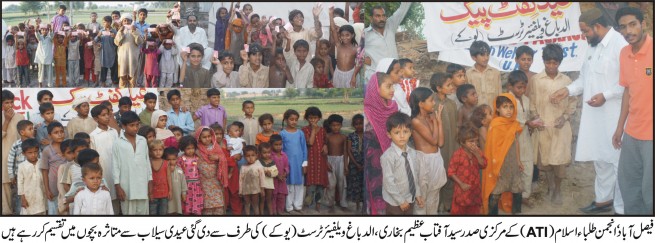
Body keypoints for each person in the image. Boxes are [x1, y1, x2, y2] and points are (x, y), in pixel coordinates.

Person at [549, 8, 628, 215]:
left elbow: (627, 84)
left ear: (598, 27)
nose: (584, 37)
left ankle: (621, 209)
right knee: (601, 159)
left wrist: (606, 95)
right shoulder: (592, 47)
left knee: (618, 162)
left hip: (615, 115)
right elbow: (584, 79)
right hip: (595, 117)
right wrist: (567, 90)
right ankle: (603, 201)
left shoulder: (621, 46)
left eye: (585, 32)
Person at [613, 7, 653, 215]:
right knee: (628, 185)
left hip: (651, 137)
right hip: (632, 133)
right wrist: (620, 127)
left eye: (632, 24)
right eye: (623, 27)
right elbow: (628, 91)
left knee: (650, 191)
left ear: (642, 24)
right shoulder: (624, 53)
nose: (628, 31)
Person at [528, 44, 577, 205]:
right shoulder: (536, 80)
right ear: (543, 61)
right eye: (548, 63)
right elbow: (532, 102)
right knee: (546, 162)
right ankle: (550, 185)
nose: (551, 66)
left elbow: (572, 103)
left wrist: (565, 117)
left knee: (560, 162)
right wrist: (535, 117)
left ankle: (557, 189)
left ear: (560, 62)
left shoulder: (567, 81)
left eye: (554, 63)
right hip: (543, 128)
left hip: (560, 129)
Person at [482, 94, 524, 215]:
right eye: (505, 107)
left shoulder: (514, 124)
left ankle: (516, 212)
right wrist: (496, 167)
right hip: (499, 165)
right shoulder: (495, 125)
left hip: (512, 163)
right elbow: (492, 149)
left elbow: (516, 144)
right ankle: (492, 215)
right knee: (496, 189)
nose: (509, 110)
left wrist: (518, 161)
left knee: (517, 188)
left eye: (511, 107)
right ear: (498, 109)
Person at [362, 72, 398, 215]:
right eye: (388, 86)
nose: (392, 90)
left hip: (391, 160)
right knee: (374, 194)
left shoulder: (393, 107)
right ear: (375, 88)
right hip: (372, 165)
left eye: (393, 86)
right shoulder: (367, 112)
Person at [408, 87, 447, 215]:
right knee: (421, 199)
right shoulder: (416, 121)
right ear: (421, 104)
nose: (434, 103)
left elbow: (440, 143)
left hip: (436, 158)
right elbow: (434, 141)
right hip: (423, 161)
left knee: (433, 198)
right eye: (431, 100)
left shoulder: (431, 117)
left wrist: (438, 121)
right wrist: (436, 122)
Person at [381, 112, 424, 215]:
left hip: (410, 198)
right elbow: (388, 182)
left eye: (405, 131)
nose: (402, 136)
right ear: (389, 134)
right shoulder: (388, 157)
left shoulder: (413, 153)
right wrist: (400, 201)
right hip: (395, 203)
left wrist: (417, 194)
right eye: (396, 132)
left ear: (411, 132)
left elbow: (414, 175)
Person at [113, 111, 152, 215]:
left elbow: (147, 162)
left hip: (142, 184)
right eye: (131, 125)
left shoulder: (142, 140)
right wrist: (117, 186)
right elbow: (115, 166)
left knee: (143, 213)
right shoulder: (118, 143)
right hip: (126, 186)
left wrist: (150, 181)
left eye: (137, 125)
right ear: (123, 126)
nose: (135, 128)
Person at [507, 71, 536, 207]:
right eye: (519, 87)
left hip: (525, 137)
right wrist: (527, 123)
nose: (522, 90)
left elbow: (528, 116)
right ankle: (513, 197)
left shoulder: (526, 100)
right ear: (510, 86)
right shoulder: (506, 100)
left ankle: (525, 195)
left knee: (528, 166)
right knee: (514, 167)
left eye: (524, 87)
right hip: (512, 138)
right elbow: (508, 119)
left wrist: (534, 121)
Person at [429, 73, 457, 212]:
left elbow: (455, 125)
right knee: (437, 175)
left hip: (451, 145)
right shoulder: (431, 104)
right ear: (439, 88)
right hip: (436, 147)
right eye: (449, 85)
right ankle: (437, 204)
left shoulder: (452, 104)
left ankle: (448, 203)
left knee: (450, 173)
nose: (452, 87)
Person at [364, 3, 411, 81]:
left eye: (383, 16)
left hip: (395, 75)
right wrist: (363, 60)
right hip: (377, 78)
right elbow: (354, 51)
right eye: (378, 16)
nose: (381, 19)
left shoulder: (391, 25)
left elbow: (402, 9)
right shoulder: (365, 34)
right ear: (371, 18)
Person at [448, 125, 487, 215]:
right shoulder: (458, 154)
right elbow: (451, 172)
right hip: (462, 192)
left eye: (476, 141)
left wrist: (477, 155)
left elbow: (484, 165)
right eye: (471, 141)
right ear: (462, 142)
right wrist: (461, 184)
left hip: (475, 191)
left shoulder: (478, 151)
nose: (474, 144)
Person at [88, 104, 120, 214]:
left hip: (117, 170)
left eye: (108, 114)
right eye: (103, 115)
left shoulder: (114, 132)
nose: (107, 117)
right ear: (96, 118)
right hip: (104, 172)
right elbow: (94, 160)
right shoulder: (93, 136)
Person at [196, 126, 228, 215]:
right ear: (199, 138)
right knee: (207, 206)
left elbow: (224, 159)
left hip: (216, 181)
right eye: (204, 137)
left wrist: (218, 157)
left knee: (218, 206)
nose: (207, 139)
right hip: (204, 182)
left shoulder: (216, 147)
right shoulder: (197, 149)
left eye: (209, 136)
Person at [280, 109, 307, 213]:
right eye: (291, 119)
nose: (294, 122)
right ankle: (289, 207)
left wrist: (305, 164)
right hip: (288, 164)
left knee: (299, 185)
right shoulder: (282, 134)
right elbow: (280, 150)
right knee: (289, 185)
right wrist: (282, 165)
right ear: (286, 120)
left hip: (299, 164)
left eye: (296, 119)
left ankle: (298, 205)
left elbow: (304, 149)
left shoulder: (300, 133)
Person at [302, 106, 328, 211]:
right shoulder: (305, 130)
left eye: (315, 118)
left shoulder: (323, 130)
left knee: (320, 185)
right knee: (310, 184)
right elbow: (310, 142)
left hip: (321, 161)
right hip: (311, 161)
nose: (313, 120)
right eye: (310, 118)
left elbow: (326, 141)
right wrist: (313, 129)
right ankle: (307, 204)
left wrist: (325, 145)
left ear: (319, 118)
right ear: (307, 118)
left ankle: (318, 205)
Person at [7, 120, 35, 214]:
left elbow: (40, 158)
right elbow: (10, 160)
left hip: (33, 175)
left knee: (33, 194)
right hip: (20, 177)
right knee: (20, 196)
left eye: (33, 129)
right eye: (30, 129)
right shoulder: (16, 145)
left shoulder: (35, 143)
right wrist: (11, 175)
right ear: (22, 132)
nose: (33, 131)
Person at [39, 122, 66, 215]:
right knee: (54, 212)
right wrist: (47, 189)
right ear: (50, 135)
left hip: (68, 186)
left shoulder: (69, 148)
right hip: (53, 187)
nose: (60, 134)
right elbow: (44, 171)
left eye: (62, 131)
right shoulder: (47, 150)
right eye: (56, 132)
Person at [324, 114, 349, 212]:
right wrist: (326, 162)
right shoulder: (327, 136)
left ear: (341, 125)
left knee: (342, 183)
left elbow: (345, 151)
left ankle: (343, 203)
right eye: (333, 125)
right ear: (330, 126)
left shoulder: (343, 137)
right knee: (331, 184)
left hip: (341, 160)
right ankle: (331, 204)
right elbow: (325, 151)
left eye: (338, 125)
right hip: (330, 160)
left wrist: (346, 165)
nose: (336, 127)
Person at [466, 40, 501, 107]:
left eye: (487, 55)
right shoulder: (468, 74)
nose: (486, 58)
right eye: (482, 55)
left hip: (493, 114)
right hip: (475, 115)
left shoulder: (496, 73)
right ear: (474, 57)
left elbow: (499, 96)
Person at [115, 13, 144, 88]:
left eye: (128, 21)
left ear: (131, 22)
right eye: (125, 21)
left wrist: (134, 32)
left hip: (133, 58)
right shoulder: (120, 31)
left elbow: (140, 42)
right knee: (122, 76)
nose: (127, 22)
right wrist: (121, 32)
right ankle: (122, 93)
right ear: (122, 22)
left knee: (132, 77)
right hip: (123, 58)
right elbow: (117, 42)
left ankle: (132, 94)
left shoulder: (136, 30)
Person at [17, 138, 46, 215]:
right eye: (30, 153)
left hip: (41, 194)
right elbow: (20, 183)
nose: (33, 155)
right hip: (28, 196)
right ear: (24, 153)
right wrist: (23, 198)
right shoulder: (21, 166)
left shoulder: (42, 162)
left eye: (35, 152)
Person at [177, 135, 203, 215]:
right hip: (186, 185)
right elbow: (179, 173)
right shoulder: (181, 159)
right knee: (186, 202)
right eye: (188, 148)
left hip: (197, 185)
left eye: (192, 148)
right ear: (183, 148)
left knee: (196, 202)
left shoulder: (198, 158)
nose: (191, 150)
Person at [239, 145, 266, 215]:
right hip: (245, 190)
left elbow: (262, 178)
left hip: (255, 190)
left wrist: (262, 189)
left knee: (255, 205)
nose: (250, 158)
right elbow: (240, 180)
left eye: (253, 155)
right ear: (244, 157)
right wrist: (240, 191)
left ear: (256, 156)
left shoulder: (259, 166)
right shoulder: (243, 167)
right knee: (247, 204)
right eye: (248, 156)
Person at [346, 114, 364, 213]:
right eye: (356, 124)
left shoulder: (368, 135)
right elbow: (349, 151)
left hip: (366, 165)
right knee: (355, 185)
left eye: (361, 124)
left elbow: (370, 150)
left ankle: (364, 205)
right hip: (354, 164)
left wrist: (365, 164)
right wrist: (356, 164)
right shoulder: (351, 136)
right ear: (353, 125)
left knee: (365, 184)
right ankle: (357, 205)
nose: (359, 126)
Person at [148, 140, 170, 215]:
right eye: (155, 150)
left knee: (163, 212)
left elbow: (169, 177)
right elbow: (148, 178)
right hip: (153, 194)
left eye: (160, 150)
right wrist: (149, 193)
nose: (158, 152)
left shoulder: (166, 163)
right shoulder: (149, 163)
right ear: (150, 151)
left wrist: (170, 190)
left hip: (164, 194)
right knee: (152, 212)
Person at [269, 134, 289, 215]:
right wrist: (277, 175)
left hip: (282, 181)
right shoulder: (270, 155)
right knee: (273, 196)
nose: (278, 146)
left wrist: (285, 173)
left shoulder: (284, 155)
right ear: (271, 145)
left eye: (280, 144)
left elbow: (287, 167)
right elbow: (269, 167)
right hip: (273, 180)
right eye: (276, 145)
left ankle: (280, 211)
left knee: (281, 196)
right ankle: (273, 212)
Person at [164, 147, 187, 215]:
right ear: (165, 159)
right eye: (168, 159)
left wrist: (184, 193)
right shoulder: (164, 170)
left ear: (177, 159)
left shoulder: (179, 169)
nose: (171, 162)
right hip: (168, 195)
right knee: (168, 210)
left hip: (177, 195)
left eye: (173, 159)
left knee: (177, 210)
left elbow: (183, 182)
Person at [97, 16, 118, 87]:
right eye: (103, 22)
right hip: (103, 54)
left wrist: (115, 37)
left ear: (109, 22)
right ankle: (103, 82)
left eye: (105, 22)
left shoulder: (114, 31)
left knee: (114, 69)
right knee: (103, 69)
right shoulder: (101, 31)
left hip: (112, 53)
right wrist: (98, 36)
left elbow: (118, 42)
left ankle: (114, 82)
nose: (104, 23)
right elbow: (95, 41)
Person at [258, 142, 278, 215]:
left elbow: (276, 172)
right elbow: (256, 171)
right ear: (260, 153)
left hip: (269, 184)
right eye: (264, 152)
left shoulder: (272, 162)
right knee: (262, 200)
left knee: (269, 199)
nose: (267, 154)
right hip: (261, 185)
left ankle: (271, 213)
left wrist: (270, 173)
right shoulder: (258, 162)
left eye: (269, 152)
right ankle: (261, 214)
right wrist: (263, 171)